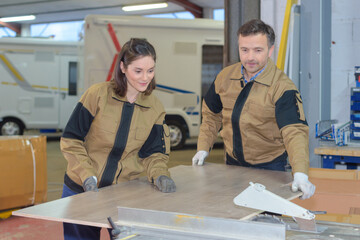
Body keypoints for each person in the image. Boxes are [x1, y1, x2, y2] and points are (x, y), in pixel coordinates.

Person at [60, 38, 176, 240]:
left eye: (150, 70)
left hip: (123, 194)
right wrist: (87, 175)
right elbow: (71, 140)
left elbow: (154, 153)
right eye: (138, 71)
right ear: (122, 67)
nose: (145, 78)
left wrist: (159, 174)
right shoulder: (97, 95)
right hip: (82, 189)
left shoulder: (155, 107)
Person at [192, 19, 315, 200]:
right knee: (234, 219)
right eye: (244, 50)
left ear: (270, 50)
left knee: (266, 221)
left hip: (269, 168)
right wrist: (203, 147)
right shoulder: (224, 77)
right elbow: (211, 115)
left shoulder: (282, 87)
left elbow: (294, 131)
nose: (250, 57)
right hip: (232, 165)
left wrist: (300, 173)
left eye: (258, 50)